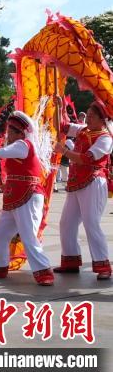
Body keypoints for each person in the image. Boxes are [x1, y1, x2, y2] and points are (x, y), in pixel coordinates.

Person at [0, 111, 54, 285]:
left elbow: (8, 151)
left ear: (20, 133)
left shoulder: (25, 145)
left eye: (11, 131)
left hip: (29, 196)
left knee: (28, 236)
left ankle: (44, 271)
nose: (7, 134)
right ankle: (1, 268)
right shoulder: (16, 147)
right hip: (13, 198)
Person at [54, 101, 113, 280]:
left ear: (102, 120)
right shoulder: (83, 130)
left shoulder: (106, 138)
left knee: (91, 223)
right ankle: (70, 262)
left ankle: (103, 265)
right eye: (87, 114)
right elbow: (62, 126)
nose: (88, 118)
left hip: (94, 181)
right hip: (76, 182)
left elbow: (87, 159)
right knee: (66, 223)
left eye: (92, 115)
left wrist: (63, 151)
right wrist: (59, 106)